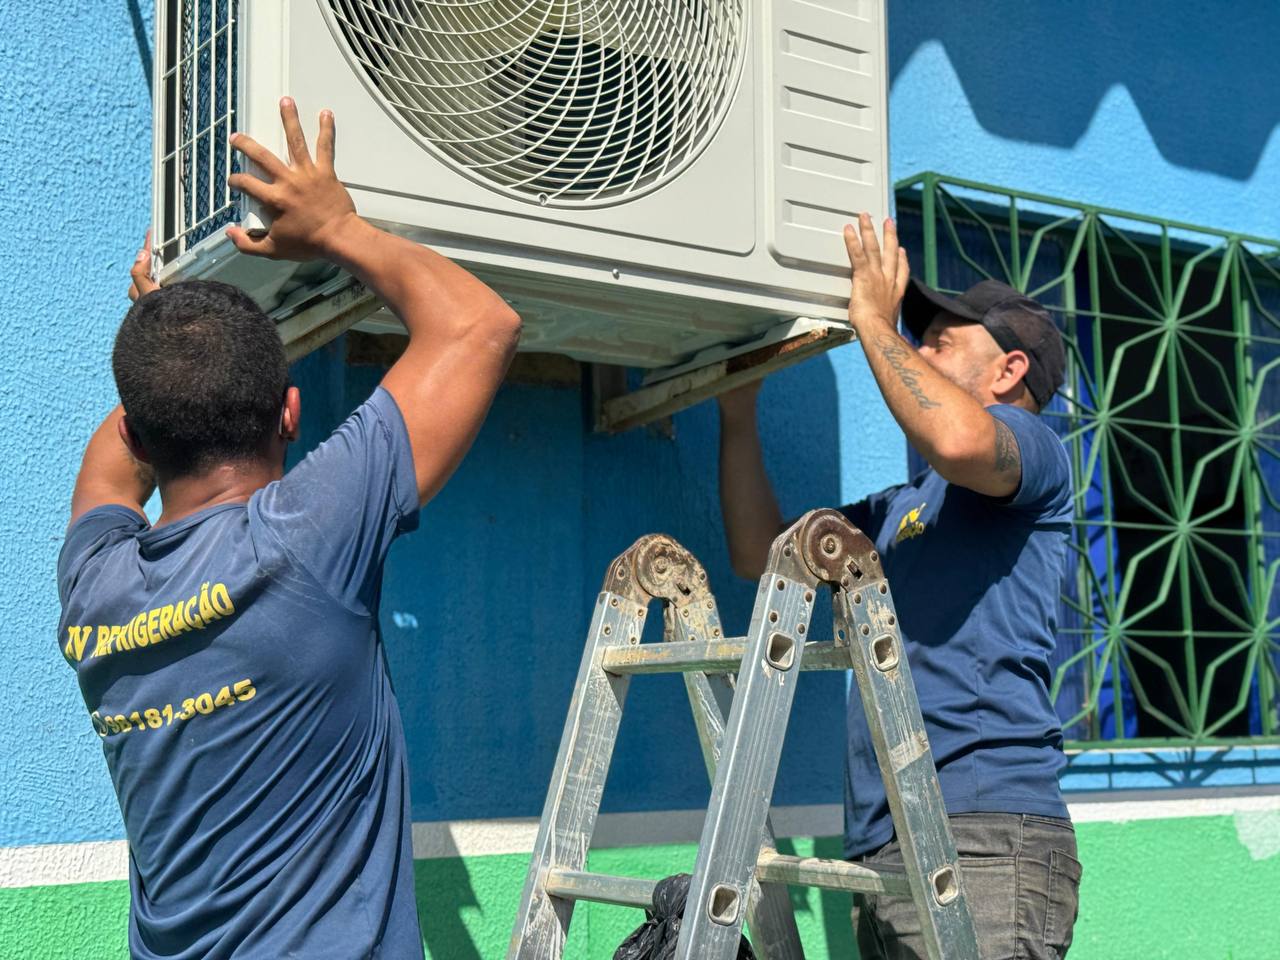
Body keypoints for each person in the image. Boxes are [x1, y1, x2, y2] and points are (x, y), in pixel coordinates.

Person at [56, 98, 521, 959]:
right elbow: (479, 324)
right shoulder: (305, 540)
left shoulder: (95, 584)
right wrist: (336, 227)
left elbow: (115, 462)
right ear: (291, 414)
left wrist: (165, 336)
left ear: (140, 435)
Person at [717, 214, 1082, 959]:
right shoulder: (902, 507)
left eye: (940, 340)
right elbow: (760, 554)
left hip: (984, 833)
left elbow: (959, 438)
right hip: (886, 838)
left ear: (1009, 370)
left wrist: (873, 320)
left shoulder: (1037, 450)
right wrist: (737, 417)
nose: (918, 350)